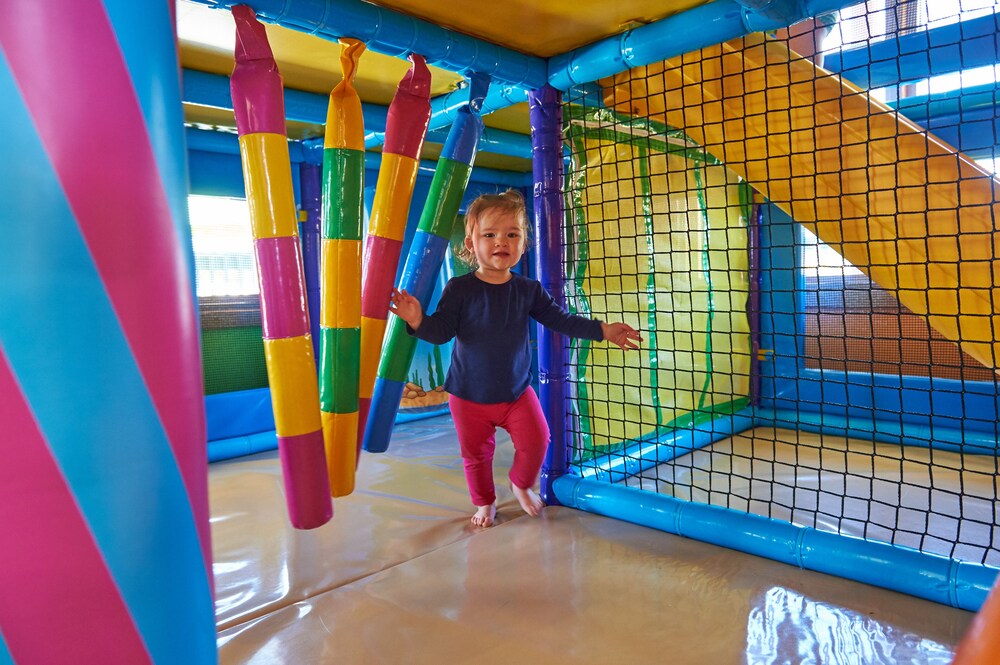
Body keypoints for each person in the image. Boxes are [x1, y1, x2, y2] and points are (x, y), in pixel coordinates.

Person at [389, 190, 642, 528]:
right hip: (468, 396)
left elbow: (561, 320)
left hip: (516, 393)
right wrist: (418, 319)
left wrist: (602, 329)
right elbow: (442, 331)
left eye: (512, 234)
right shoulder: (460, 289)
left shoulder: (528, 290)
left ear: (524, 243)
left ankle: (520, 483)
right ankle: (485, 503)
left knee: (539, 439)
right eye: (489, 234)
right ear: (471, 242)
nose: (501, 242)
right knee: (476, 456)